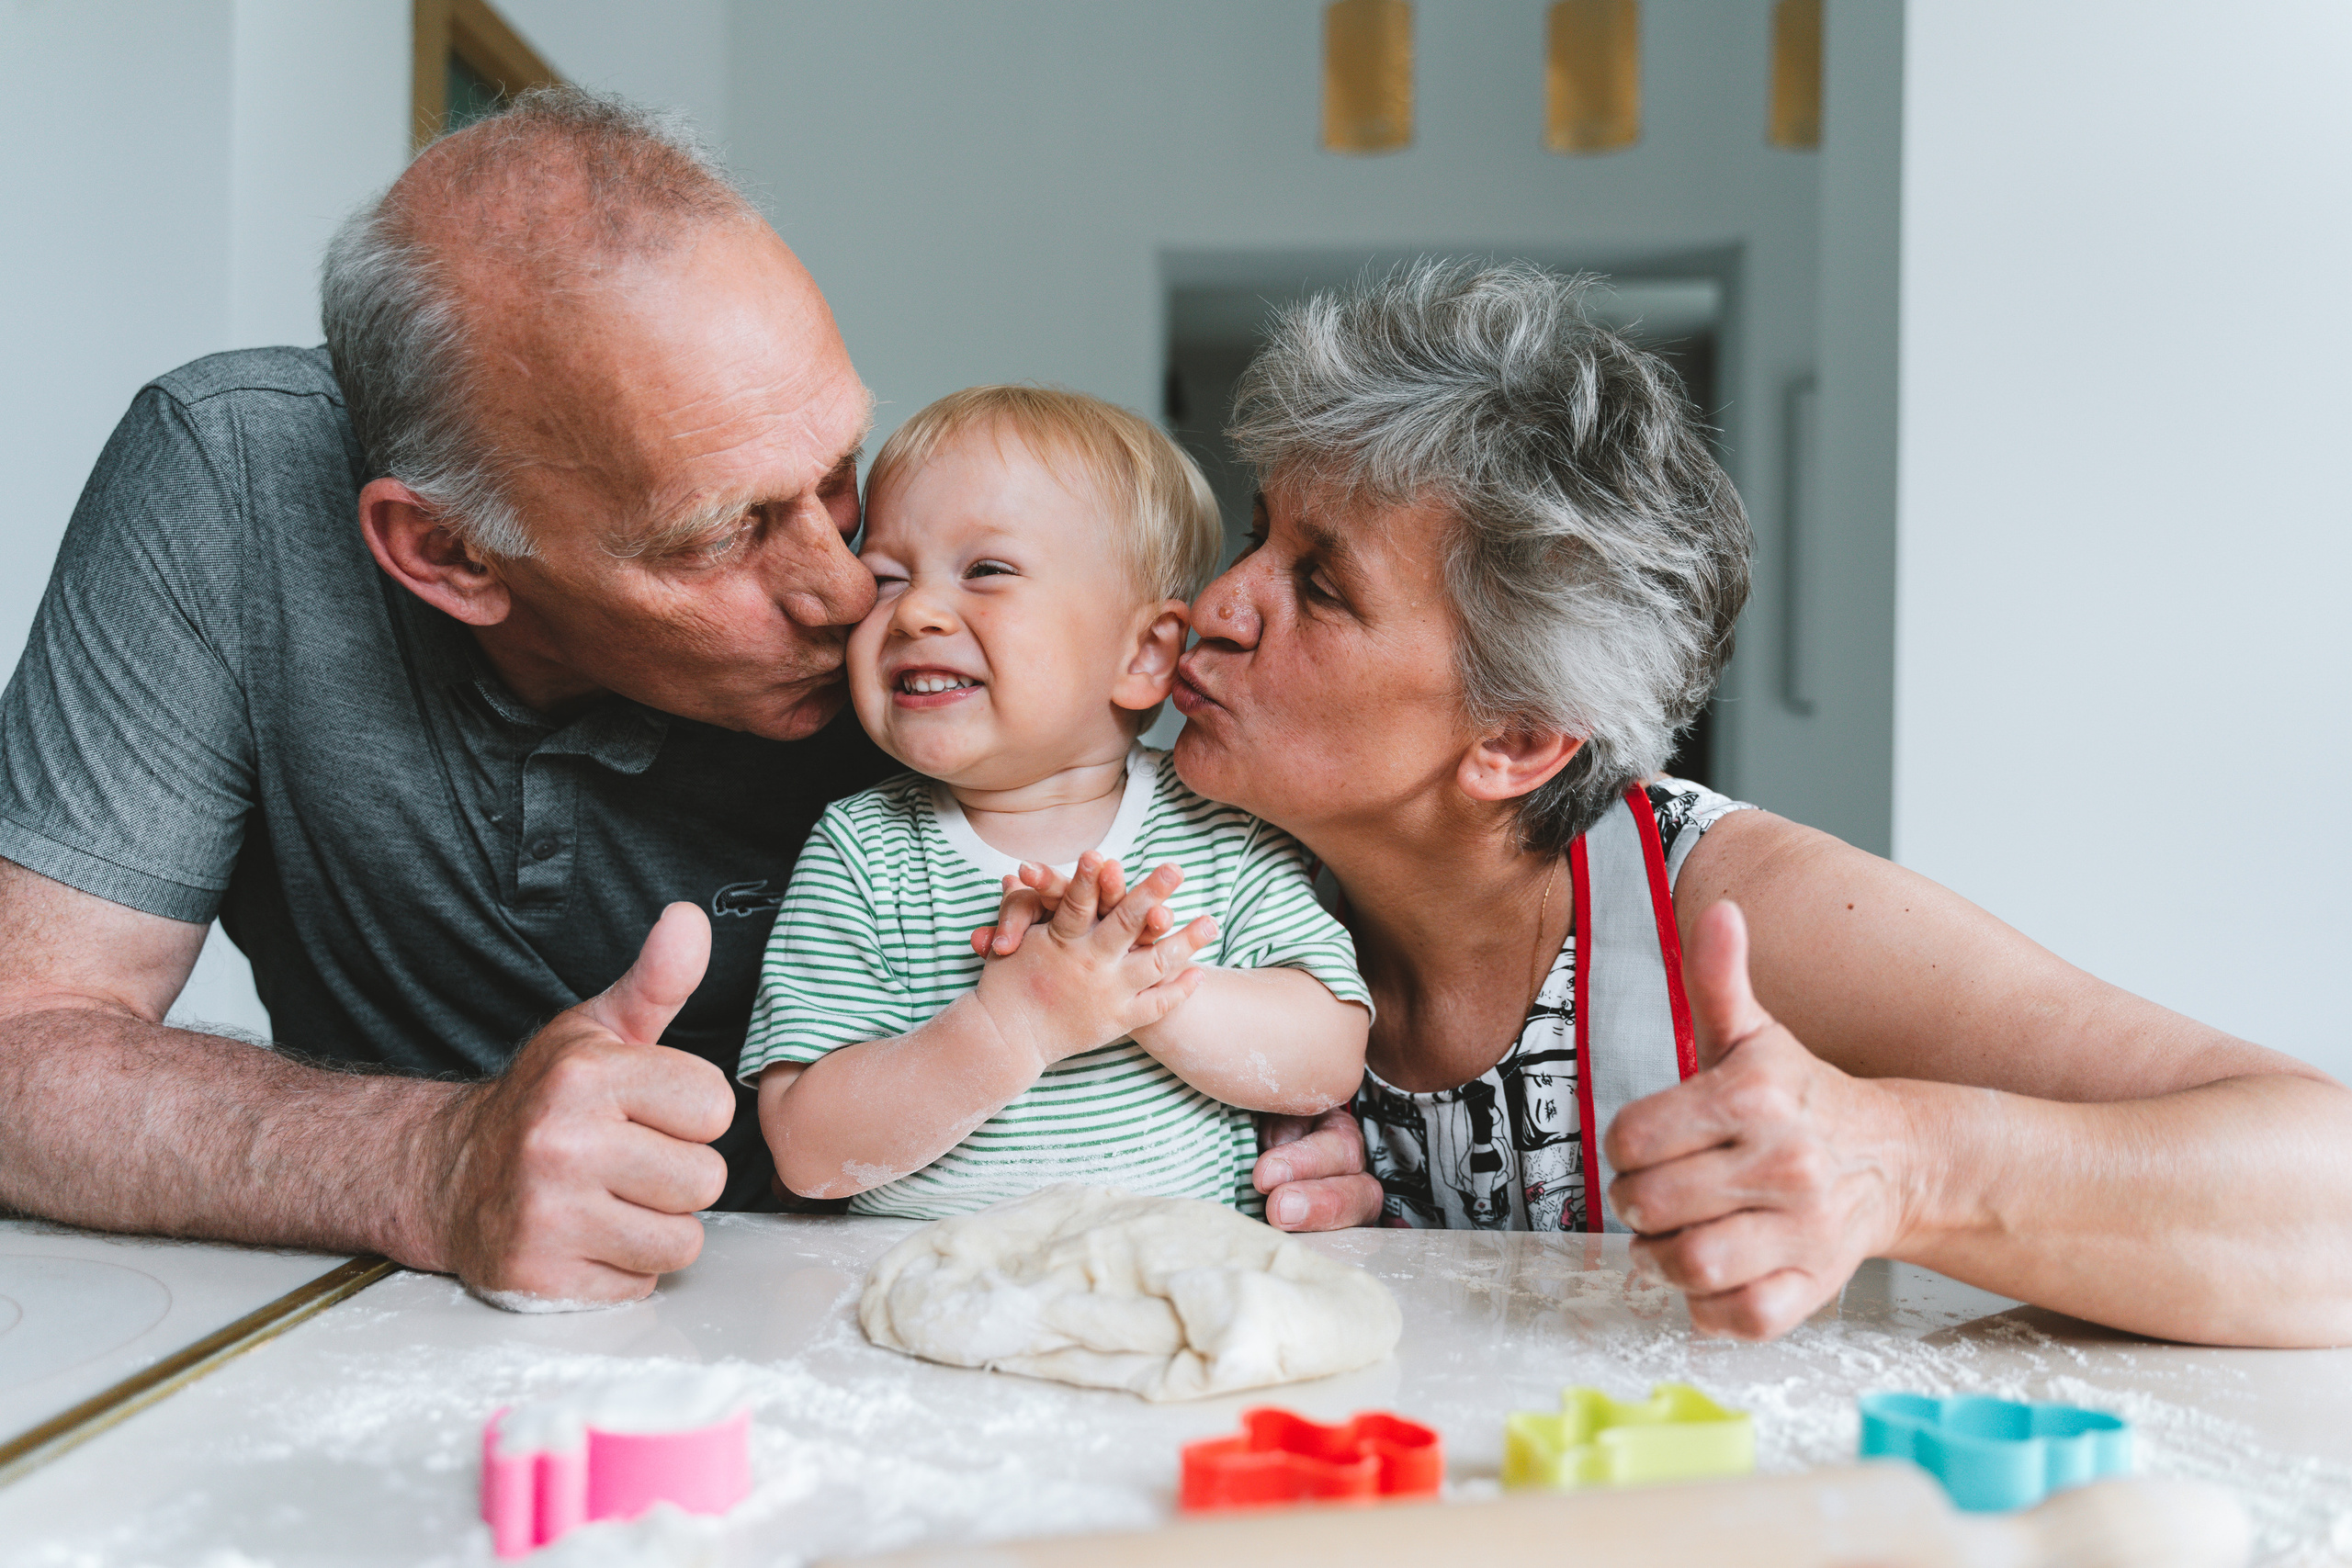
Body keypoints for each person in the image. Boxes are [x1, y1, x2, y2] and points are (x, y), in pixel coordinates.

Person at [1010, 260, 2352, 1347]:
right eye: (1259, 532)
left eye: (1323, 586)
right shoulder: (1166, 853)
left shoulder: (1723, 902)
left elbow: (2325, 1191)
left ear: (1518, 739)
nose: (1221, 601)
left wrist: (1899, 1163)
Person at [0, 89, 895, 1307]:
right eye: (721, 536)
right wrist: (437, 1160)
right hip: (398, 1322)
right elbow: (20, 1041)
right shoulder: (227, 485)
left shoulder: (934, 560)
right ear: (451, 554)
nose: (847, 594)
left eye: (838, 470)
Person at [746, 388, 1371, 1218]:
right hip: (939, 1294)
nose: (917, 612)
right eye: (888, 576)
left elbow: (1328, 1056)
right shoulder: (864, 849)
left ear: (1145, 653)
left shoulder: (1219, 828)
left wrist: (1131, 983)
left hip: (1181, 1286)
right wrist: (1015, 1027)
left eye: (987, 571)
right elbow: (806, 1149)